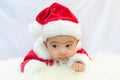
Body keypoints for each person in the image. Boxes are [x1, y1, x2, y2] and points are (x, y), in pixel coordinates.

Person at [20, 2, 91, 73]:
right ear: (46, 45)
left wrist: (80, 63)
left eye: (68, 45)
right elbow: (26, 63)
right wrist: (34, 68)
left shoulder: (77, 52)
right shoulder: (39, 53)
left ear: (76, 43)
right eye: (55, 46)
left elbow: (86, 58)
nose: (62, 52)